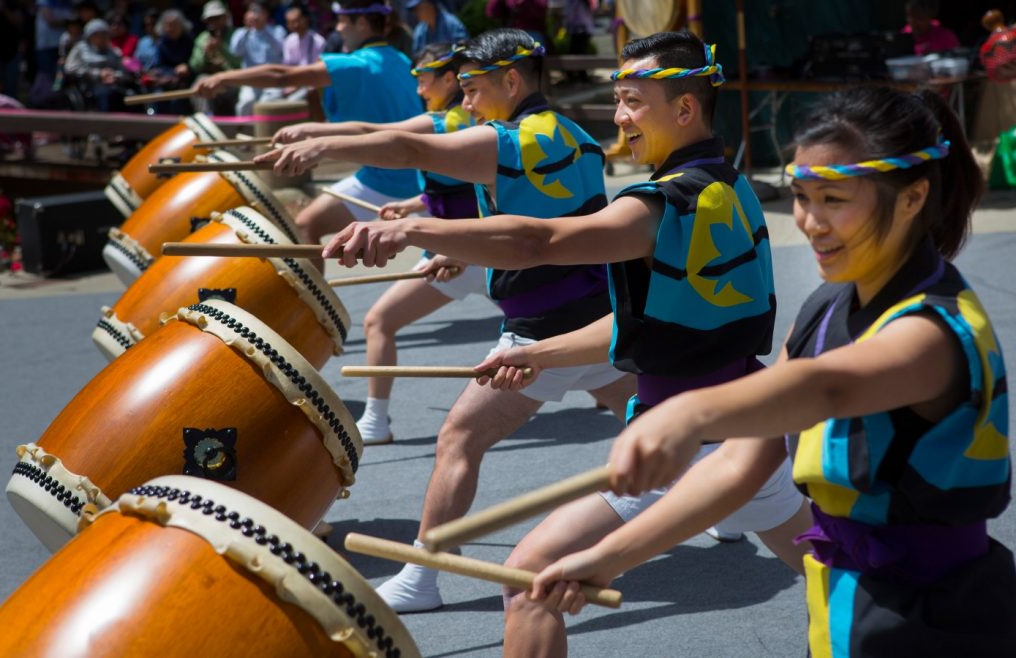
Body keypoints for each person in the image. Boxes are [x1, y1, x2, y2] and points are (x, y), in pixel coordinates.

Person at [319, 31, 812, 633]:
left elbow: (539, 241)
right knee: (839, 584)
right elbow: (653, 322)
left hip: (688, 444)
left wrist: (418, 231)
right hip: (747, 429)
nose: (619, 116)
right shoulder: (731, 187)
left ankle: (422, 579)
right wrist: (543, 357)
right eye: (618, 100)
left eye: (633, 101)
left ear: (684, 109)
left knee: (530, 584)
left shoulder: (664, 204)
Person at [527, 86, 1016, 656]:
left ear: (913, 198)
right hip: (845, 610)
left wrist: (690, 410)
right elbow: (738, 462)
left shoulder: (933, 330)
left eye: (835, 199)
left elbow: (826, 388)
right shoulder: (827, 308)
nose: (810, 222)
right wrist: (606, 558)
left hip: (938, 623)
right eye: (803, 197)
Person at [265, 27, 641, 613]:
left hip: (540, 330)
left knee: (459, 437)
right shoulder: (573, 137)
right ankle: (737, 505)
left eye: (473, 87)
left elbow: (415, 153)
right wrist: (464, 251)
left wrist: (323, 148)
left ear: (512, 81)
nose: (464, 102)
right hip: (597, 322)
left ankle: (421, 579)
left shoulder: (511, 140)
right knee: (655, 424)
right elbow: (541, 224)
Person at [271, 41, 484, 445]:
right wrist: (411, 203)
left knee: (379, 321)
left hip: (466, 249)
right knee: (536, 330)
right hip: (471, 248)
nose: (419, 90)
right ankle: (609, 382)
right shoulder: (462, 123)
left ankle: (376, 422)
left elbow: (373, 133)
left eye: (423, 80)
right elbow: (461, 188)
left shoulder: (443, 124)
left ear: (448, 79)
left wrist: (315, 134)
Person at [195, 0, 424, 252]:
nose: (337, 29)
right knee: (306, 224)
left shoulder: (356, 65)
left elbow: (283, 76)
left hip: (389, 178)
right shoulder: (400, 59)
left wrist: (224, 77)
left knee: (304, 226)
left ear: (361, 23)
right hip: (413, 171)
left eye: (341, 22)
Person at [63, 17, 133, 112]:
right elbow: (70, 68)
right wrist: (98, 74)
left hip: (115, 86)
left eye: (104, 35)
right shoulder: (80, 49)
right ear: (89, 36)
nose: (102, 38)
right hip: (89, 87)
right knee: (105, 95)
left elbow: (124, 72)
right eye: (97, 35)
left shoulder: (114, 51)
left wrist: (114, 76)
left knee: (130, 96)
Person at [230, 1, 287, 115]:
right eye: (251, 11)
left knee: (267, 104)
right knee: (245, 104)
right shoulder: (241, 33)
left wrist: (263, 29)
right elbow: (235, 52)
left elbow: (279, 50)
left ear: (266, 14)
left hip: (272, 79)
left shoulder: (277, 30)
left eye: (257, 11)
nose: (254, 15)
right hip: (250, 79)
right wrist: (247, 29)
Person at [190, 1, 240, 115]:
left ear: (225, 17)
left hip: (233, 77)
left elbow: (241, 63)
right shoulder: (202, 38)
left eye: (217, 18)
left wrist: (222, 48)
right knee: (199, 85)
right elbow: (195, 66)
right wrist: (205, 53)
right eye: (211, 19)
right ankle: (207, 121)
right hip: (210, 77)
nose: (214, 22)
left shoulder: (236, 35)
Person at [148, 9, 195, 114]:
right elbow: (158, 65)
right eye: (168, 25)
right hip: (167, 80)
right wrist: (172, 72)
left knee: (178, 101)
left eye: (174, 25)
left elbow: (195, 63)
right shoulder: (161, 43)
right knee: (158, 97)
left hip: (185, 80)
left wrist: (187, 67)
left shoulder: (189, 41)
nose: (171, 29)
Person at [133, 9, 160, 73]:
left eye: (153, 23)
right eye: (147, 24)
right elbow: (136, 62)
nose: (150, 27)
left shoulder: (167, 42)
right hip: (143, 77)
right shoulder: (142, 42)